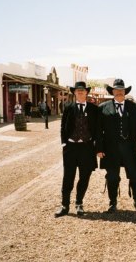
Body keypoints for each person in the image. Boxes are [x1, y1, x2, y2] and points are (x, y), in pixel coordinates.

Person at [96, 79, 136, 213]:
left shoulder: (133, 107)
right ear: (112, 92)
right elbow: (98, 130)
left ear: (125, 92)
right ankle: (112, 203)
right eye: (116, 90)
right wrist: (99, 148)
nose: (119, 92)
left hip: (130, 148)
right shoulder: (103, 107)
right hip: (110, 149)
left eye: (121, 90)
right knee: (112, 176)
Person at [55, 82, 100, 217]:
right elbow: (63, 126)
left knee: (84, 176)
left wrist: (97, 147)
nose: (80, 92)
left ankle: (79, 203)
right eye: (78, 91)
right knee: (68, 177)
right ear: (74, 93)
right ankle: (65, 205)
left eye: (82, 90)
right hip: (70, 147)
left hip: (86, 147)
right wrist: (64, 143)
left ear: (86, 92)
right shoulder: (68, 107)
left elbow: (97, 130)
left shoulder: (93, 109)